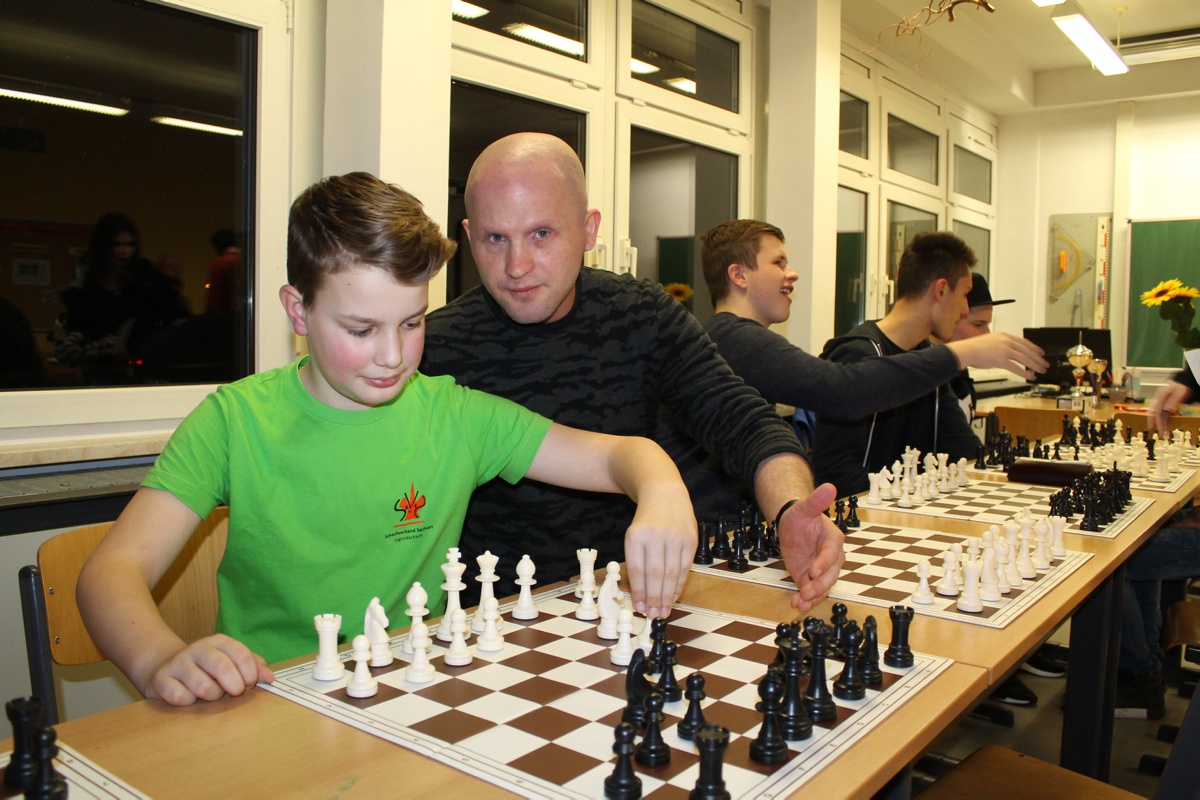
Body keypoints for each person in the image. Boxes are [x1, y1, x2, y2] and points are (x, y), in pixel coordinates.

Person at [76, 172, 696, 707]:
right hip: (274, 703)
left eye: (412, 322)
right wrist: (158, 658)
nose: (393, 356)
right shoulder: (234, 422)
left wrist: (662, 489)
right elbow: (110, 573)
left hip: (415, 698)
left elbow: (618, 456)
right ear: (298, 312)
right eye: (361, 328)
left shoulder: (454, 416)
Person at [421, 132, 844, 615]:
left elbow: (739, 418)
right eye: (496, 238)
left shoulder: (641, 313)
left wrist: (790, 509)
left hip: (627, 605)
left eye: (541, 234)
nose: (517, 266)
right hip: (489, 625)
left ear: (589, 229)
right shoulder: (431, 347)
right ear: (469, 235)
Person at [661, 220, 1046, 517]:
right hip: (710, 532)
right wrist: (961, 355)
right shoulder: (730, 337)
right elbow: (841, 390)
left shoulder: (733, 336)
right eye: (778, 262)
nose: (791, 273)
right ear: (739, 276)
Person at [811, 231, 983, 497]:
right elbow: (834, 473)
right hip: (868, 523)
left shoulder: (929, 356)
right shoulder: (857, 355)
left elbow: (965, 450)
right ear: (941, 290)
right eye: (965, 295)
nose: (964, 310)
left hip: (910, 512)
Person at [55, 212, 189, 383]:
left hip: (142, 370)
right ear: (104, 246)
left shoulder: (143, 276)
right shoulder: (85, 287)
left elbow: (170, 311)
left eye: (130, 245)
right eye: (117, 245)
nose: (125, 251)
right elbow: (78, 334)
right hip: (101, 373)